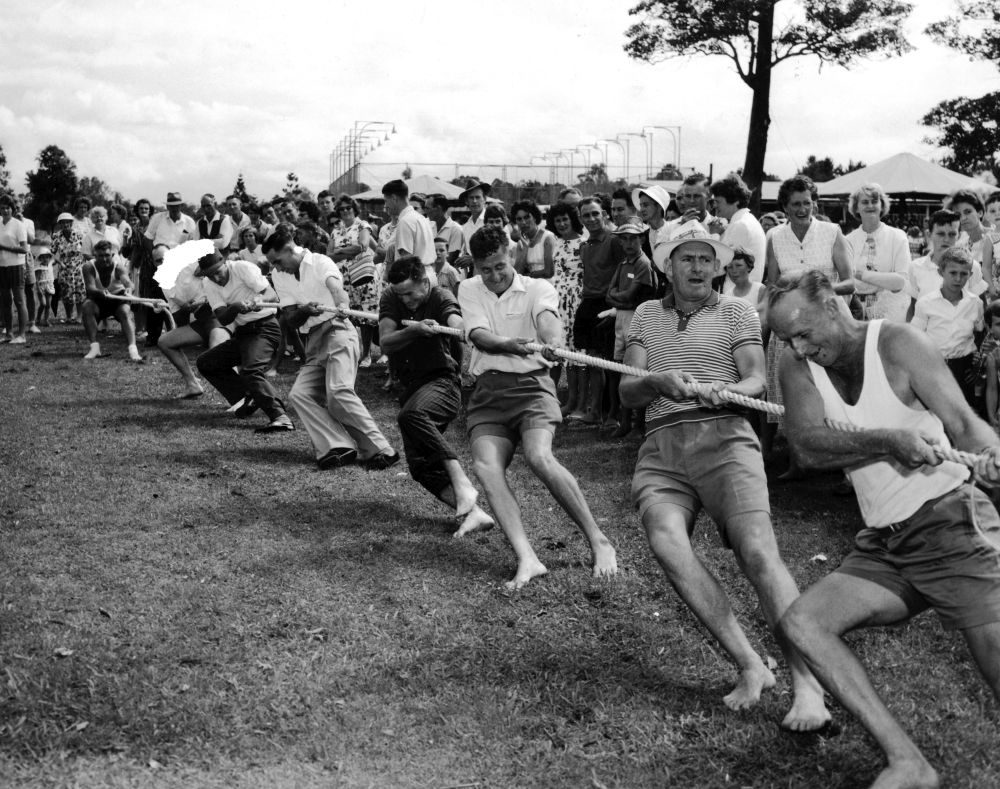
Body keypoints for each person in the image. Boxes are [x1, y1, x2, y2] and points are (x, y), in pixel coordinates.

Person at [768, 269, 1000, 789]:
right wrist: (887, 441)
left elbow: (963, 423)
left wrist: (989, 451)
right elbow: (805, 445)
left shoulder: (898, 343)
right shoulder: (798, 364)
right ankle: (909, 763)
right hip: (886, 540)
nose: (798, 347)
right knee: (805, 624)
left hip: (951, 521)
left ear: (832, 304)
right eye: (787, 338)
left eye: (803, 332)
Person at [618, 225, 829, 730]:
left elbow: (757, 377)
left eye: (704, 259)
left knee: (758, 552)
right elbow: (628, 391)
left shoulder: (736, 311)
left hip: (726, 438)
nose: (695, 267)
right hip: (662, 447)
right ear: (667, 265)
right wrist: (655, 381)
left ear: (717, 266)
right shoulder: (646, 315)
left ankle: (808, 684)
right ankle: (751, 663)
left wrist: (721, 387)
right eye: (685, 258)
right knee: (667, 542)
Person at [458, 226, 618, 590]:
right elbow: (480, 336)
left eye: (500, 265)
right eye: (486, 269)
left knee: (539, 457)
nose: (495, 275)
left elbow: (549, 321)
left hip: (532, 387)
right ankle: (527, 558)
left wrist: (552, 341)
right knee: (485, 465)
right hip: (489, 392)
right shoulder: (468, 288)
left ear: (511, 255)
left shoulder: (538, 287)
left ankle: (598, 539)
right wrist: (512, 346)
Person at [264, 223, 397, 467]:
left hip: (338, 329)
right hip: (313, 340)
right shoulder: (278, 275)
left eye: (277, 260)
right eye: (273, 264)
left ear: (289, 249)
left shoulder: (320, 262)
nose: (276, 267)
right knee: (300, 394)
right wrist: (304, 309)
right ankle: (338, 446)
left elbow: (337, 290)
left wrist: (342, 305)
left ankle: (380, 449)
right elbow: (292, 319)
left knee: (338, 392)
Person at [379, 254, 494, 533]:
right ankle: (474, 513)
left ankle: (462, 482)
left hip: (442, 383)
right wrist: (415, 330)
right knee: (421, 468)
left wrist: (465, 330)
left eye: (410, 293)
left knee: (412, 416)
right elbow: (385, 343)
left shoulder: (440, 295)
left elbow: (453, 318)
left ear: (423, 281)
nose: (406, 300)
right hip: (410, 387)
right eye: (401, 294)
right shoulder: (392, 296)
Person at [762, 174, 854, 479]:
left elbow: (851, 281)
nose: (803, 209)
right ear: (785, 207)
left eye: (807, 202)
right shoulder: (774, 236)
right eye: (795, 204)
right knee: (793, 391)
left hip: (828, 325)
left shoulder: (831, 232)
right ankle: (795, 460)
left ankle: (845, 465)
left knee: (835, 391)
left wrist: (818, 289)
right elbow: (771, 284)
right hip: (790, 330)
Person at [194, 251, 294, 433]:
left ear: (226, 263)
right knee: (206, 362)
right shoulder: (208, 283)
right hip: (243, 333)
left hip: (265, 327)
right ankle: (249, 397)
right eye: (210, 275)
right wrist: (236, 307)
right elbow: (223, 318)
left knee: (251, 371)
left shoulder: (242, 268)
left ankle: (280, 417)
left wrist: (258, 300)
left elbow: (271, 294)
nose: (216, 278)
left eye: (218, 272)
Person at [574, 197, 626, 426]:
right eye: (586, 215)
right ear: (581, 219)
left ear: (604, 214)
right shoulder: (585, 246)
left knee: (612, 364)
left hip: (609, 306)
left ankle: (613, 415)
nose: (591, 219)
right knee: (593, 361)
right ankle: (595, 411)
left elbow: (626, 273)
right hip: (589, 305)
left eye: (595, 213)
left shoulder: (615, 241)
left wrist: (616, 307)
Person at [911, 247, 984, 407]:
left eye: (964, 274)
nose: (958, 279)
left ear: (970, 275)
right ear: (941, 272)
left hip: (963, 369)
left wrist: (976, 365)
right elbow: (915, 339)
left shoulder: (975, 303)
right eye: (953, 273)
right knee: (934, 417)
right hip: (934, 368)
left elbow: (980, 334)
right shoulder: (925, 303)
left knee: (963, 417)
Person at [605, 217, 655, 437]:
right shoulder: (623, 264)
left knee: (638, 370)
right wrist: (619, 299)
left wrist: (619, 298)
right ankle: (624, 422)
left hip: (638, 320)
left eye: (632, 239)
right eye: (623, 239)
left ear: (641, 239)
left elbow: (629, 294)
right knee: (620, 368)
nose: (627, 244)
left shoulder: (643, 264)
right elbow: (609, 294)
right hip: (621, 320)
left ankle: (639, 424)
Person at [157, 257, 231, 398]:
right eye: (157, 261)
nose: (161, 263)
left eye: (164, 258)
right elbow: (180, 311)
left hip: (219, 316)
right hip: (202, 320)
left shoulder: (192, 263)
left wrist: (203, 300)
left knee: (218, 350)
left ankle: (241, 395)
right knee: (165, 341)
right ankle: (192, 385)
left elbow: (213, 273)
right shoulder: (164, 280)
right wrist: (190, 306)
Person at [844, 183, 910, 322]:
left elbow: (901, 281)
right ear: (856, 207)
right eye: (865, 202)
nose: (870, 206)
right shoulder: (847, 240)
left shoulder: (898, 237)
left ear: (882, 205)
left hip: (889, 314)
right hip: (853, 314)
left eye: (875, 201)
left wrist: (859, 274)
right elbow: (845, 282)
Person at [329, 195, 379, 368]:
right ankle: (352, 352)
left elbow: (362, 245)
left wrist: (339, 252)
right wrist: (346, 252)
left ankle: (367, 354)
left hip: (362, 276)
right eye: (341, 209)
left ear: (354, 209)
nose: (345, 211)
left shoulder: (362, 225)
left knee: (366, 317)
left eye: (348, 208)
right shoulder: (335, 230)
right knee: (348, 314)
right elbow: (329, 255)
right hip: (343, 278)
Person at [547, 202, 586, 419]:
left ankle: (578, 403)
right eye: (558, 220)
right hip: (558, 300)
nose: (561, 224)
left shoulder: (583, 243)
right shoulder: (556, 243)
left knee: (576, 354)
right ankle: (565, 401)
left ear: (573, 219)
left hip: (576, 300)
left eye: (565, 219)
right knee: (560, 351)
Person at [145, 193, 197, 347]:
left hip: (179, 265)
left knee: (176, 299)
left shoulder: (189, 222)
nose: (174, 208)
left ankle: (176, 335)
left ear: (181, 206)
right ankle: (152, 336)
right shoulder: (157, 218)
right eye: (171, 206)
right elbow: (147, 238)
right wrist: (154, 255)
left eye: (177, 205)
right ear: (167, 206)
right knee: (156, 300)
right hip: (159, 263)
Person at [80, 240, 143, 362]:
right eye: (100, 256)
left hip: (117, 300)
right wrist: (100, 292)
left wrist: (129, 289)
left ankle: (133, 349)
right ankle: (94, 348)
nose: (104, 259)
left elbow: (128, 282)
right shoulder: (88, 267)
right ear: (95, 256)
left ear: (113, 255)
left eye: (107, 255)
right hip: (98, 299)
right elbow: (90, 287)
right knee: (87, 306)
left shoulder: (118, 267)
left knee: (125, 312)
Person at [710, 173, 766, 285]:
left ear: (735, 201)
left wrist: (714, 234)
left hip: (737, 296)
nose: (714, 206)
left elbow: (718, 267)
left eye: (718, 202)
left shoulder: (741, 225)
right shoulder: (746, 220)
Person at [382, 179, 436, 286]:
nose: (385, 205)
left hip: (415, 282)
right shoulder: (420, 218)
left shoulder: (405, 221)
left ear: (394, 198)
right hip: (429, 277)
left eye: (386, 201)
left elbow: (406, 261)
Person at [0, 194, 29, 344]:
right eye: (2, 208)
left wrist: (4, 247)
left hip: (16, 266)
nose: (5, 211)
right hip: (2, 266)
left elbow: (24, 249)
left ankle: (22, 335)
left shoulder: (18, 225)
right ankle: (9, 333)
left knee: (19, 300)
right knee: (5, 301)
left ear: (12, 209)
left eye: (8, 208)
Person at [51, 212, 86, 324]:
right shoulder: (56, 236)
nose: (65, 224)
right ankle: (69, 316)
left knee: (80, 292)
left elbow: (86, 250)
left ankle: (79, 316)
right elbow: (51, 252)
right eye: (63, 222)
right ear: (59, 224)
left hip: (79, 267)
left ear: (71, 223)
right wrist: (58, 261)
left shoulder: (79, 234)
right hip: (64, 267)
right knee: (66, 293)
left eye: (67, 222)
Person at [512, 199, 556, 280]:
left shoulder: (547, 237)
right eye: (519, 219)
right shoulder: (521, 243)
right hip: (530, 286)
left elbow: (549, 272)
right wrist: (525, 250)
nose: (524, 222)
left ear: (535, 217)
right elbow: (517, 273)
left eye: (527, 217)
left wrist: (529, 275)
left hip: (548, 285)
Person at [456, 179, 490, 272]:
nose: (475, 201)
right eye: (471, 198)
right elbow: (467, 253)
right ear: (466, 201)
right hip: (474, 274)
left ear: (484, 199)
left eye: (478, 197)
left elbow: (499, 252)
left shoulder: (492, 221)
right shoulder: (466, 227)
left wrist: (473, 259)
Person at [425, 194, 463, 264]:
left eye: (427, 208)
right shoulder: (428, 225)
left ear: (438, 208)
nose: (425, 211)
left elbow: (451, 259)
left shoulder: (456, 229)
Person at [31, 240, 55, 327]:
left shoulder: (50, 264)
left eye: (47, 257)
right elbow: (36, 279)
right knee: (43, 304)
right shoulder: (38, 267)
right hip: (41, 286)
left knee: (48, 304)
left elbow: (56, 260)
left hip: (49, 285)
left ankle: (46, 320)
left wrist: (62, 264)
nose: (45, 259)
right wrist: (38, 288)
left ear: (49, 258)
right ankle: (38, 318)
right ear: (40, 258)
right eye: (43, 257)